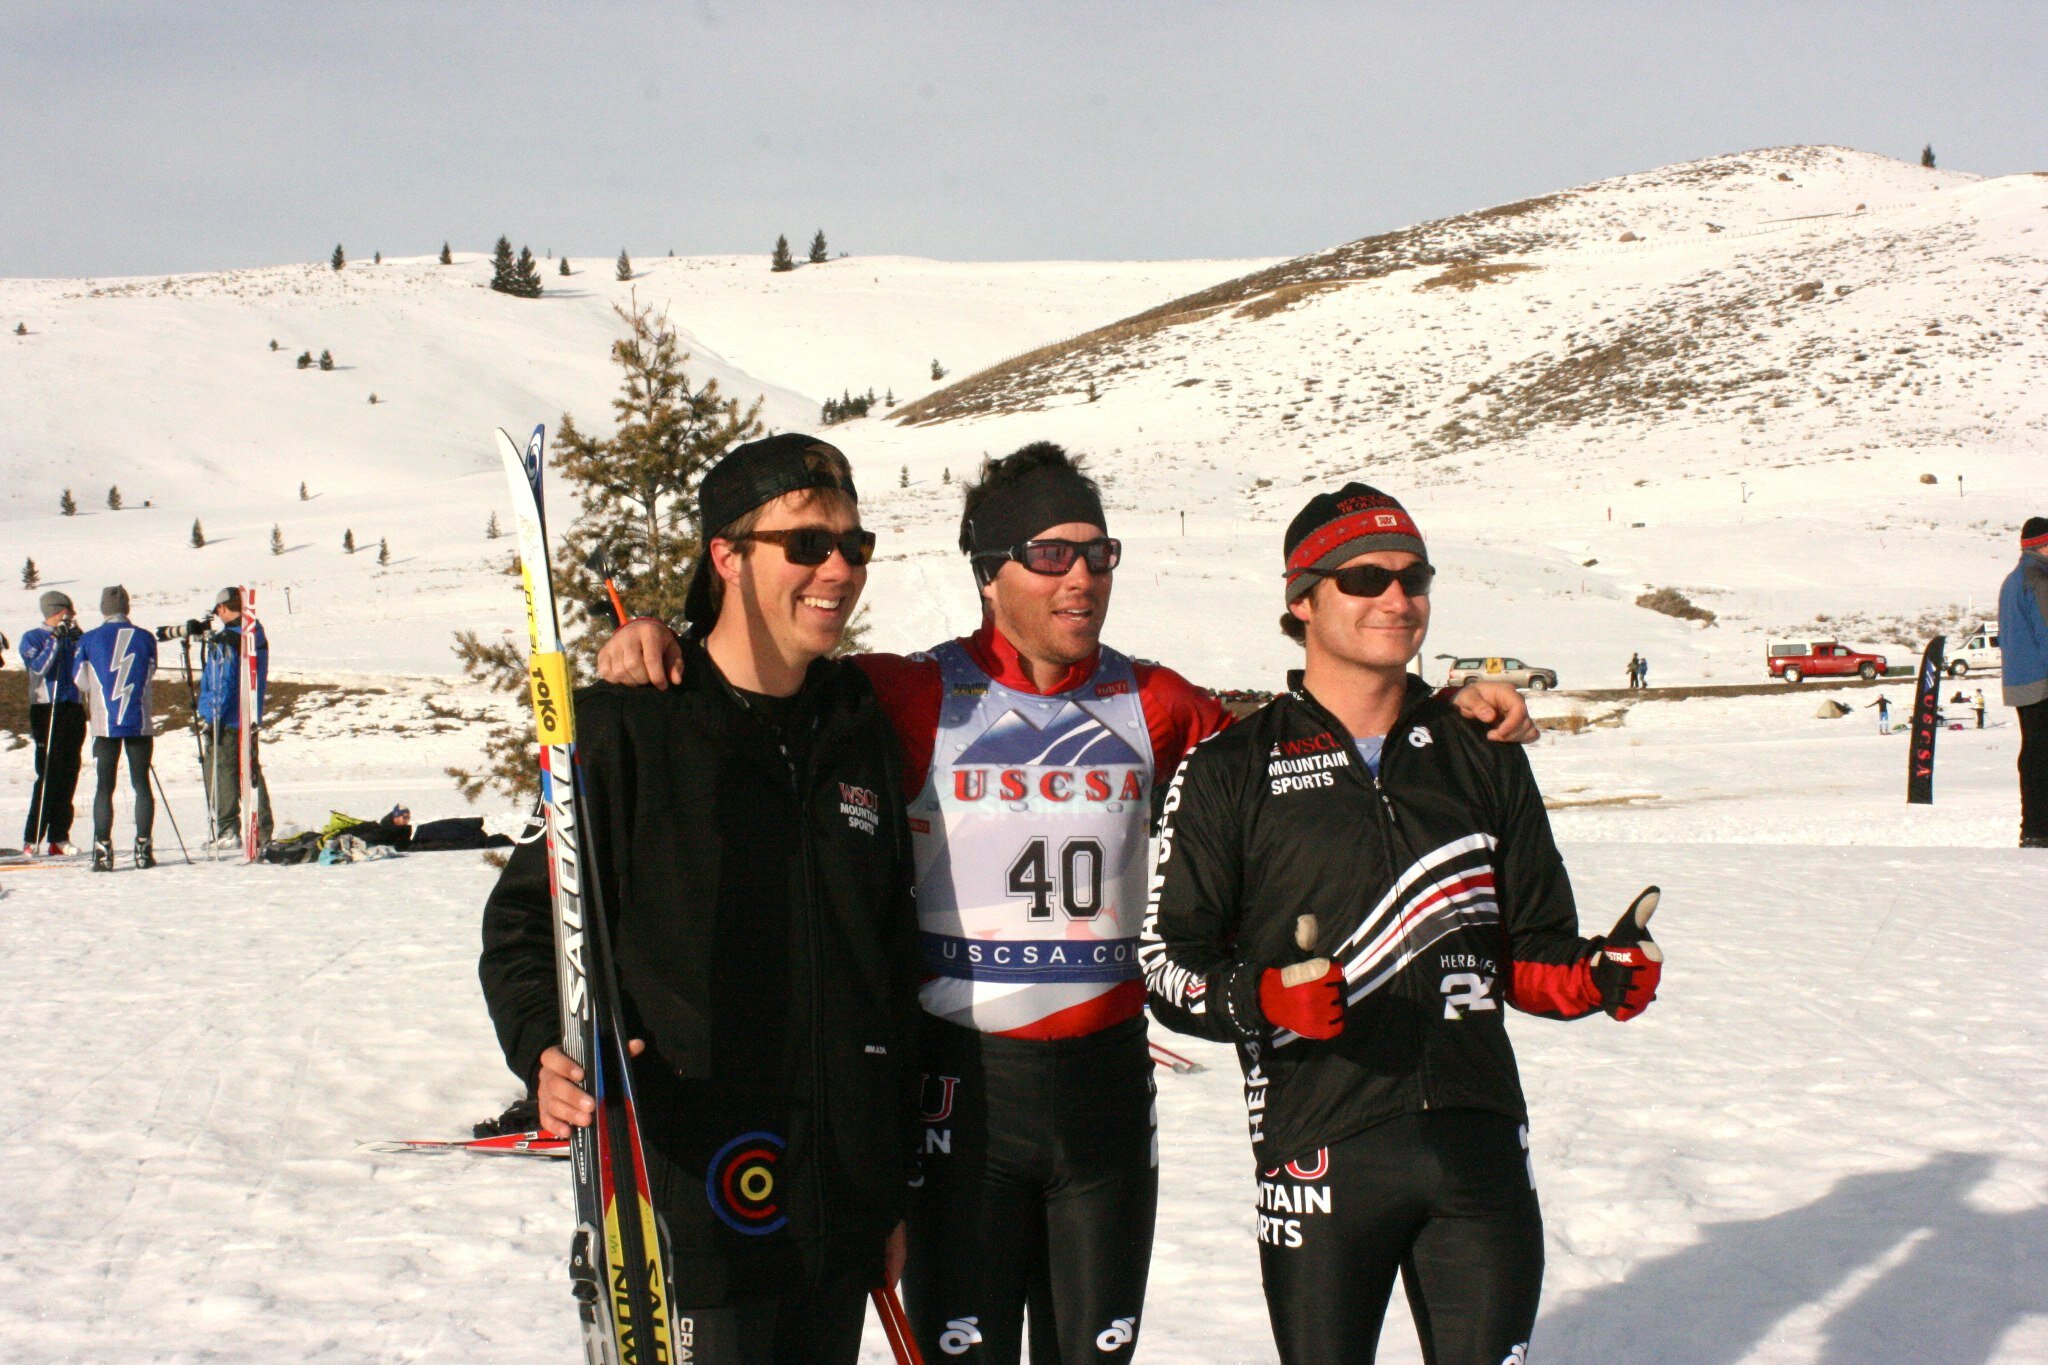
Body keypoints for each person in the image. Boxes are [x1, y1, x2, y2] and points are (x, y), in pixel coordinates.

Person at [596, 443, 1538, 1363]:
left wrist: (1439, 705)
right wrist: (662, 642)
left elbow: (1305, 753)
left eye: (1099, 553)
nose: (1080, 576)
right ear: (988, 573)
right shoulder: (908, 691)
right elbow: (759, 682)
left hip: (1105, 1102)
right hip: (961, 1097)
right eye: (1050, 554)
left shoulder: (1156, 700)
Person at [1141, 483, 1663, 1365]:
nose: (1396, 597)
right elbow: (1166, 966)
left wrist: (1597, 975)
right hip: (1321, 1149)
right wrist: (1264, 998)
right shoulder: (1232, 766)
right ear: (1300, 600)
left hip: (1479, 1140)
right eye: (1364, 578)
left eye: (1413, 576)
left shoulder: (1480, 749)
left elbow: (1529, 951)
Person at [480, 434, 922, 1364]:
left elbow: (887, 960)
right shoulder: (631, 727)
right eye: (805, 544)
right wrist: (542, 1046)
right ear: (725, 555)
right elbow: (527, 920)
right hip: (689, 1203)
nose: (838, 568)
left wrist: (885, 1185)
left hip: (835, 1212)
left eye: (854, 544)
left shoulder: (856, 729)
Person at [73, 586, 158, 871]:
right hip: (139, 723)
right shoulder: (146, 638)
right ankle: (143, 849)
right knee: (141, 784)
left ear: (103, 609)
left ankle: (102, 851)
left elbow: (80, 681)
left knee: (104, 787)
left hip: (105, 724)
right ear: (127, 607)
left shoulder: (88, 639)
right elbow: (151, 671)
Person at [196, 587, 272, 847]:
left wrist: (211, 715)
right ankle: (261, 827)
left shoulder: (227, 640)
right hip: (249, 713)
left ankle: (229, 828)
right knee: (250, 772)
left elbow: (222, 681)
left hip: (227, 718)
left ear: (224, 608)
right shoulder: (254, 634)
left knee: (223, 771)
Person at [20, 591, 87, 853]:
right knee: (48, 772)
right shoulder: (33, 637)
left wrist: (79, 640)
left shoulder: (72, 637)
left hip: (72, 707)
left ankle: (59, 837)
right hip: (47, 709)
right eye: (71, 609)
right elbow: (39, 668)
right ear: (59, 610)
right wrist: (55, 640)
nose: (74, 614)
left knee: (70, 771)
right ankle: (32, 837)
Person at [2000, 516, 2048, 847]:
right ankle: (2039, 829)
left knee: (2032, 754)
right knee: (2041, 756)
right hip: (2043, 683)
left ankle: (2032, 826)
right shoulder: (2039, 579)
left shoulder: (2012, 580)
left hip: (2020, 683)